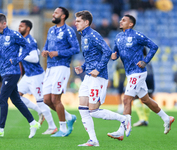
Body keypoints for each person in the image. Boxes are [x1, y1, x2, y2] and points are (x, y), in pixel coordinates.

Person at [109, 14, 175, 140]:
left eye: (124, 20)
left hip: (138, 72)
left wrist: (145, 61)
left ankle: (121, 130)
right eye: (121, 19)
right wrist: (114, 56)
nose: (121, 21)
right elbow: (115, 52)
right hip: (130, 73)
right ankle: (167, 118)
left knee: (126, 99)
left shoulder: (137, 35)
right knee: (146, 100)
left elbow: (154, 47)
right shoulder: (118, 37)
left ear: (131, 24)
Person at [74, 10, 129, 147]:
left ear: (86, 22)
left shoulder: (93, 34)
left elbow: (107, 51)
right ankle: (93, 140)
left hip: (98, 77)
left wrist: (98, 69)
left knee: (93, 111)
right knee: (82, 108)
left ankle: (124, 119)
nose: (76, 23)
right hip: (88, 76)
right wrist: (83, 66)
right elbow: (92, 56)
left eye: (78, 21)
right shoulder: (83, 36)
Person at [0, 13, 40, 138]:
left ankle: (0, 128)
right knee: (16, 100)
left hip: (13, 71)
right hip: (4, 72)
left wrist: (18, 59)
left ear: (4, 24)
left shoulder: (14, 35)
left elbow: (27, 47)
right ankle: (33, 123)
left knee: (2, 99)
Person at [41, 7, 79, 137]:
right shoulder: (51, 30)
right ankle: (69, 117)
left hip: (61, 67)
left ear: (63, 16)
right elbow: (46, 45)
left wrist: (59, 53)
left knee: (55, 98)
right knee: (46, 99)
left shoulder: (69, 31)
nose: (53, 14)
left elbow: (76, 49)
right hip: (50, 68)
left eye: (56, 13)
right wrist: (44, 51)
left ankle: (63, 129)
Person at [17, 20, 57, 134]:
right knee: (15, 95)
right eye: (19, 26)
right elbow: (36, 52)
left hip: (36, 76)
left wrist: (20, 57)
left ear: (28, 29)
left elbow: (34, 58)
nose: (19, 28)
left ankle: (52, 126)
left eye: (22, 26)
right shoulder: (23, 40)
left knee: (41, 101)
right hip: (28, 75)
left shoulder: (30, 40)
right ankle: (38, 111)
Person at [133, 47, 154, 127]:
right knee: (148, 98)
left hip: (141, 76)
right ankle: (146, 119)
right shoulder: (148, 60)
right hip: (150, 77)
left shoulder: (137, 59)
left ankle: (142, 119)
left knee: (135, 97)